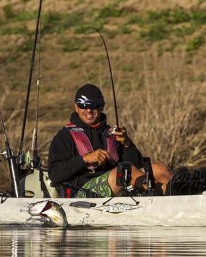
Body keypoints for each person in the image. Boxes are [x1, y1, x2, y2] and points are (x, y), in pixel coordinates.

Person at [48, 83, 178, 198]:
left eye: (94, 105)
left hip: (116, 185)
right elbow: (54, 174)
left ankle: (179, 192)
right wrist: (84, 159)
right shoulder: (64, 136)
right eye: (83, 105)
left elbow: (138, 166)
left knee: (158, 167)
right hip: (82, 193)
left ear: (102, 105)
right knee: (125, 171)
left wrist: (127, 144)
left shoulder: (111, 133)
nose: (89, 110)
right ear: (76, 107)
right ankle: (163, 194)